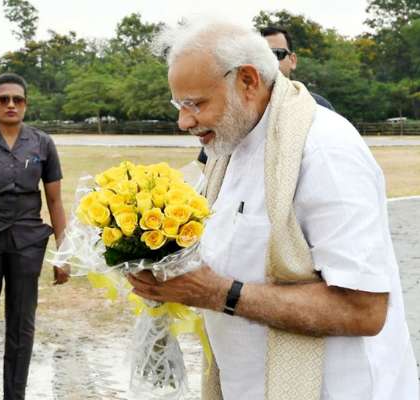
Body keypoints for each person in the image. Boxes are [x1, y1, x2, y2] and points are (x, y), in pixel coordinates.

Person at [129, 20, 418, 399]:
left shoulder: (324, 150)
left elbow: (363, 309)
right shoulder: (229, 148)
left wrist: (218, 294)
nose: (183, 121)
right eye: (178, 105)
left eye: (195, 104)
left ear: (248, 81)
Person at [0, 72, 68, 400]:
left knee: (22, 324)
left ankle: (14, 396)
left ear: (25, 104)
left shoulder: (42, 143)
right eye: (3, 99)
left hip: (28, 242)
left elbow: (55, 200)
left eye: (17, 100)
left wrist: (63, 253)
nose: (10, 105)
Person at [196, 25, 335, 166]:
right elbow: (207, 169)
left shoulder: (317, 107)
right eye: (259, 56)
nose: (268, 62)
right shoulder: (231, 110)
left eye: (276, 54)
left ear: (292, 60)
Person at [260, 26, 334, 110]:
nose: (270, 61)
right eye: (262, 56)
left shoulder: (319, 106)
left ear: (292, 60)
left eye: (277, 53)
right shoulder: (246, 110)